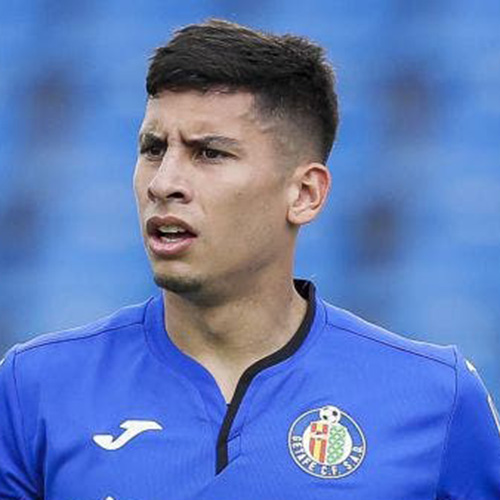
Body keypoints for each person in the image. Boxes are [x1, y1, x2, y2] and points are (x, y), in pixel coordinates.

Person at [1, 19, 499, 500]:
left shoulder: (436, 398)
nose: (163, 182)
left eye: (209, 153)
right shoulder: (35, 387)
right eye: (153, 149)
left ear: (304, 193)